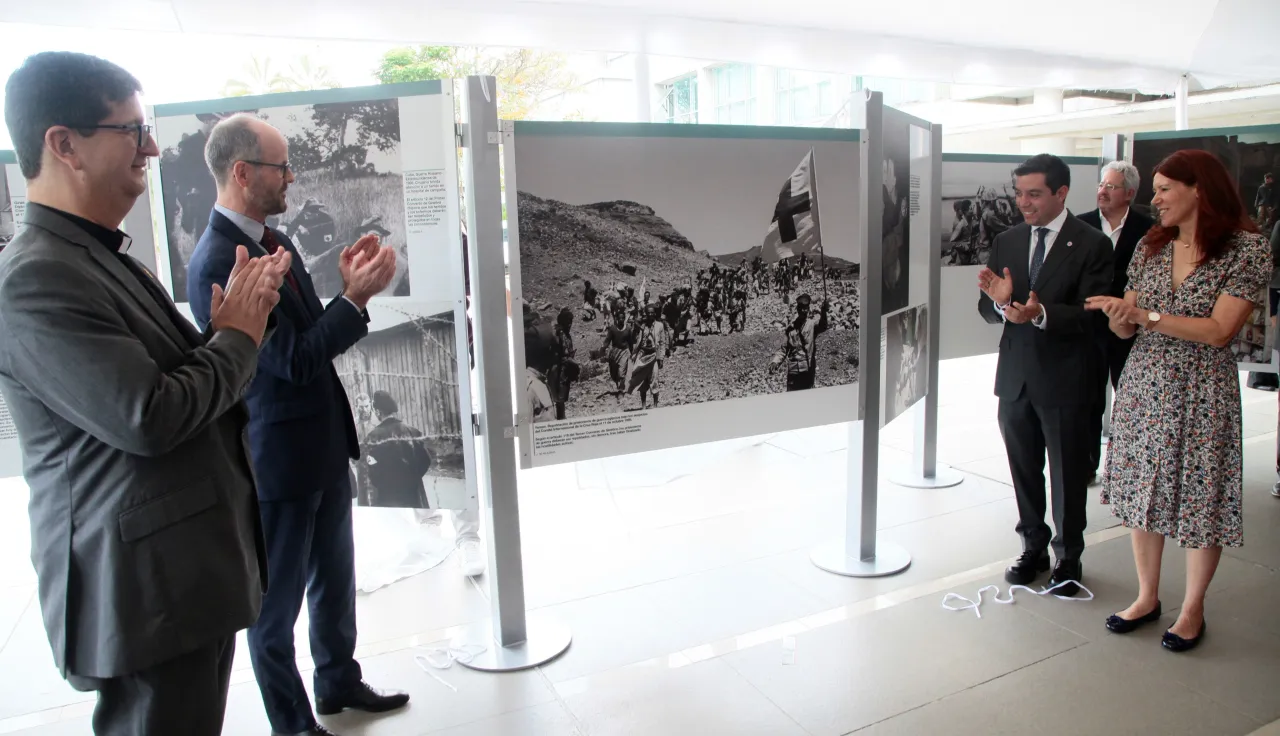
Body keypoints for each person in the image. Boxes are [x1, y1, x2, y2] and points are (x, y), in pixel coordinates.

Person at [0, 52, 289, 735]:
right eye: (132, 131)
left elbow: (178, 380)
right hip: (144, 590)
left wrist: (229, 332)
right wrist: (238, 338)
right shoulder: (33, 280)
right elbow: (149, 417)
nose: (153, 148)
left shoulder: (100, 257)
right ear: (63, 144)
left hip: (183, 576)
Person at [186, 114, 408, 736]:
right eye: (281, 166)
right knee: (274, 608)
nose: (292, 176)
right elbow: (293, 360)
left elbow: (308, 336)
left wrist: (344, 288)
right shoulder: (216, 261)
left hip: (319, 447)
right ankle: (293, 723)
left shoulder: (267, 243)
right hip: (279, 461)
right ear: (241, 172)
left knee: (336, 582)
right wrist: (355, 301)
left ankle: (337, 684)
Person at [1086, 150, 1271, 651]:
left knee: (1199, 497)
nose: (1156, 198)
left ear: (1199, 189)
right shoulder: (1152, 242)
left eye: (1166, 188)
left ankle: (1193, 608)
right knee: (1143, 490)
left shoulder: (1245, 249)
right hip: (1144, 382)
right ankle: (1147, 597)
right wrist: (1120, 316)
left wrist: (1145, 316)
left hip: (1202, 389)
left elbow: (1219, 330)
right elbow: (1125, 322)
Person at [977, 153, 1113, 597]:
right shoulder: (1008, 240)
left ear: (1061, 193)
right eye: (1018, 194)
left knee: (1069, 474)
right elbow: (987, 305)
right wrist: (1001, 304)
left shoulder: (1092, 243)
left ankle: (1068, 555)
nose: (1023, 203)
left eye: (1033, 194)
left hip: (1068, 378)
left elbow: (1095, 313)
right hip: (1016, 379)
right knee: (1023, 470)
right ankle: (1032, 545)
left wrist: (1041, 314)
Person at [1078, 161, 1155, 480]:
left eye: (1111, 186)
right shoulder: (1079, 225)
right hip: (1088, 326)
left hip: (1129, 329)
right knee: (1088, 398)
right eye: (1101, 185)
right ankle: (1087, 466)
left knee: (1130, 398)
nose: (1102, 191)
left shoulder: (1149, 230)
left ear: (1130, 193)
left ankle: (1128, 464)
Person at [364, 390, 434, 508]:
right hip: (412, 495)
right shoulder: (412, 431)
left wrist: (383, 483)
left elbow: (371, 470)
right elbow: (426, 460)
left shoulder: (373, 437)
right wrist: (412, 479)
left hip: (388, 497)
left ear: (378, 411)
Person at [770, 293, 830, 390]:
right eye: (802, 308)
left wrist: (824, 312)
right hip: (793, 371)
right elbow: (783, 349)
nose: (804, 311)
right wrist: (775, 362)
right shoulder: (790, 329)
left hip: (807, 370)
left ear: (808, 309)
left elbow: (823, 326)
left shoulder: (812, 325)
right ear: (798, 309)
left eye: (806, 308)